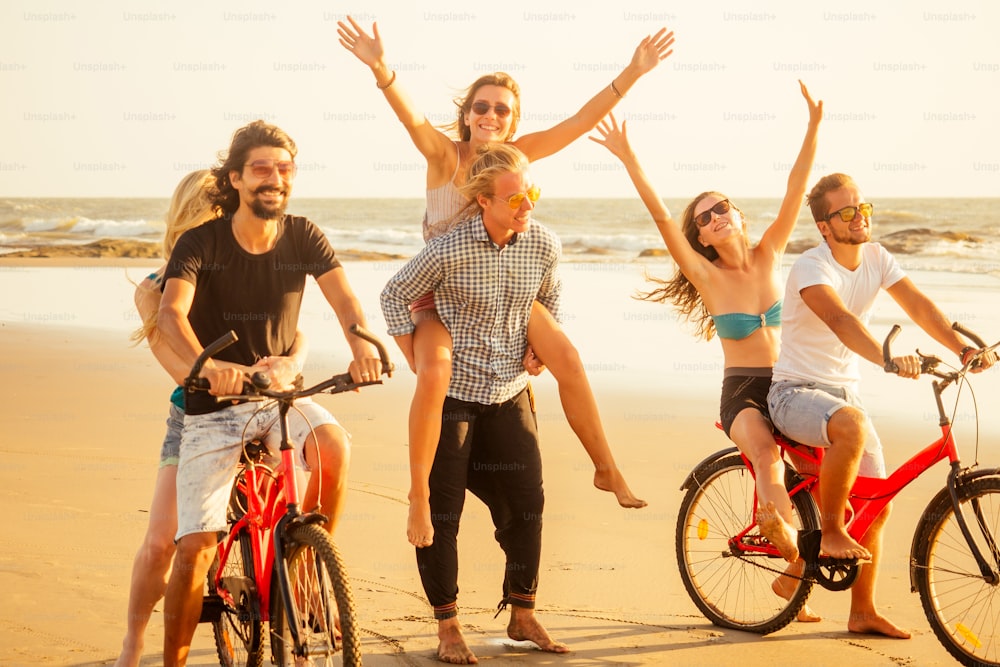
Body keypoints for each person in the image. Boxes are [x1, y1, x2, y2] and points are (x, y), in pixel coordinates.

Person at [338, 17, 673, 545]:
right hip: (442, 294)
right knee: (436, 373)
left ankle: (605, 465)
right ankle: (419, 494)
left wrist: (633, 72)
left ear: (513, 121)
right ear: (466, 115)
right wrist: (381, 66)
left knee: (566, 355)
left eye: (501, 109)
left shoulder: (516, 160)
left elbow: (580, 121)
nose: (490, 115)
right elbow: (409, 117)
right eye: (481, 106)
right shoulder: (443, 154)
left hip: (500, 289)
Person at [592, 81, 823, 618]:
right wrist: (629, 159)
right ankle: (782, 539)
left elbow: (797, 188)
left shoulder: (769, 254)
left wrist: (812, 127)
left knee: (834, 464)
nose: (716, 216)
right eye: (703, 217)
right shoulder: (706, 275)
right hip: (742, 393)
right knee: (766, 456)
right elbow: (657, 217)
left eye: (722, 207)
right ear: (700, 237)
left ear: (738, 214)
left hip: (791, 383)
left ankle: (794, 568)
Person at [157, 121, 383, 666]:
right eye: (261, 168)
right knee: (194, 549)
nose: (274, 178)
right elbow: (170, 314)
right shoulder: (201, 242)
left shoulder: (304, 235)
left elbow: (346, 303)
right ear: (235, 178)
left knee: (333, 444)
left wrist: (363, 346)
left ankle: (303, 562)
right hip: (215, 408)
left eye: (284, 169)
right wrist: (205, 369)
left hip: (279, 401)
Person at [766, 171, 996, 638]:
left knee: (880, 497)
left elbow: (918, 305)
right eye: (847, 212)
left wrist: (962, 349)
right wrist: (888, 359)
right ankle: (830, 532)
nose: (859, 218)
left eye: (863, 208)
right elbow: (840, 320)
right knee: (850, 424)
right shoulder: (812, 266)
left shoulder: (877, 257)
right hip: (793, 393)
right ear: (825, 226)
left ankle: (861, 611)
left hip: (843, 394)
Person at [380, 143, 567, 664]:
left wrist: (538, 349)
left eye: (531, 193)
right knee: (444, 513)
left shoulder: (544, 244)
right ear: (484, 201)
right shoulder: (450, 248)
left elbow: (550, 297)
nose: (526, 204)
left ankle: (523, 612)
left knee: (529, 502)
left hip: (508, 392)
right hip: (454, 399)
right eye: (514, 198)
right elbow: (394, 294)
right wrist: (413, 353)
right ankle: (447, 624)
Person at [114, 170, 307, 667]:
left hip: (262, 406)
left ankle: (303, 586)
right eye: (214, 216)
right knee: (162, 542)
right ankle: (133, 645)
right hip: (196, 413)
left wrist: (291, 364)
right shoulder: (157, 288)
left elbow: (294, 334)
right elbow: (174, 360)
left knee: (300, 499)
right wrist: (226, 374)